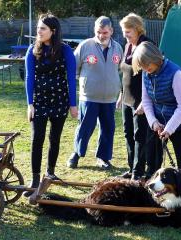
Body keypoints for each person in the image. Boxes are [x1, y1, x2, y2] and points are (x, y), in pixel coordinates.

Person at [132, 41, 181, 212]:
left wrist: (169, 128)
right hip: (158, 123)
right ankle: (154, 196)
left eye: (147, 65)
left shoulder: (175, 73)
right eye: (142, 66)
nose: (145, 69)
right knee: (154, 160)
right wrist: (154, 122)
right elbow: (146, 100)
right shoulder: (146, 73)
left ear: (155, 58)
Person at [24, 13, 78, 197]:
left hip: (59, 101)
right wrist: (30, 104)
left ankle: (50, 172)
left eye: (42, 28)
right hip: (39, 102)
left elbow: (71, 78)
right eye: (38, 28)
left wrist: (73, 104)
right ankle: (35, 178)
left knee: (54, 138)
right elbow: (30, 78)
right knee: (37, 139)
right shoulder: (32, 50)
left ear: (53, 31)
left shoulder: (66, 51)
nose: (38, 31)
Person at [67, 16, 123, 170]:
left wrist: (120, 93)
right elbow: (73, 69)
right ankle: (76, 154)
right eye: (98, 32)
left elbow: (120, 72)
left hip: (110, 99)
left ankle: (103, 158)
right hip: (89, 97)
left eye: (104, 32)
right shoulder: (85, 46)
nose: (101, 36)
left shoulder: (118, 47)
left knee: (108, 129)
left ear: (111, 31)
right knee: (85, 127)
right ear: (94, 30)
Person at [118, 13, 161, 180]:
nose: (125, 34)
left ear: (137, 29)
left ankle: (138, 172)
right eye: (123, 31)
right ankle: (132, 167)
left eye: (128, 31)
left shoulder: (147, 45)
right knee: (128, 134)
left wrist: (145, 101)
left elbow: (152, 75)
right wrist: (121, 94)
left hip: (142, 101)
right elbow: (125, 72)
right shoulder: (128, 45)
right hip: (127, 98)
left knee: (140, 136)